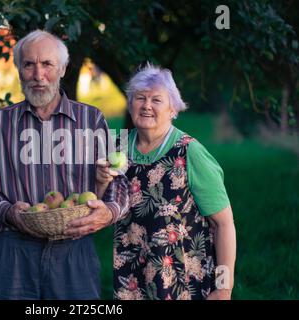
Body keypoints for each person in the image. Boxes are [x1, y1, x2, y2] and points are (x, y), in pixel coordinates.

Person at [0, 30, 127, 300]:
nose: (38, 75)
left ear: (62, 68)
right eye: (29, 64)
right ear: (19, 69)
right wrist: (6, 211)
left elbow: (117, 178)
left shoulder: (91, 120)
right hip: (13, 251)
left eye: (47, 64)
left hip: (74, 251)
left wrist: (109, 212)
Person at [95, 63, 237, 300]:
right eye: (140, 98)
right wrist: (100, 182)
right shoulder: (117, 148)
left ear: (173, 109)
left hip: (183, 282)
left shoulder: (189, 152)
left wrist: (224, 287)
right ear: (131, 105)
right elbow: (104, 208)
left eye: (156, 100)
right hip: (131, 278)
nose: (147, 105)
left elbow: (223, 224)